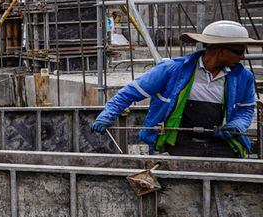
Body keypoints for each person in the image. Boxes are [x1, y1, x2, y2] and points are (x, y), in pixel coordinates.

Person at [92, 20, 258, 158]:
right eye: (239, 51)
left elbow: (246, 110)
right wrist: (107, 114)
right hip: (179, 144)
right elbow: (129, 93)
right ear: (220, 50)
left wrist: (235, 126)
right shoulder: (172, 70)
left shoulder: (243, 77)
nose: (242, 57)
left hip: (221, 145)